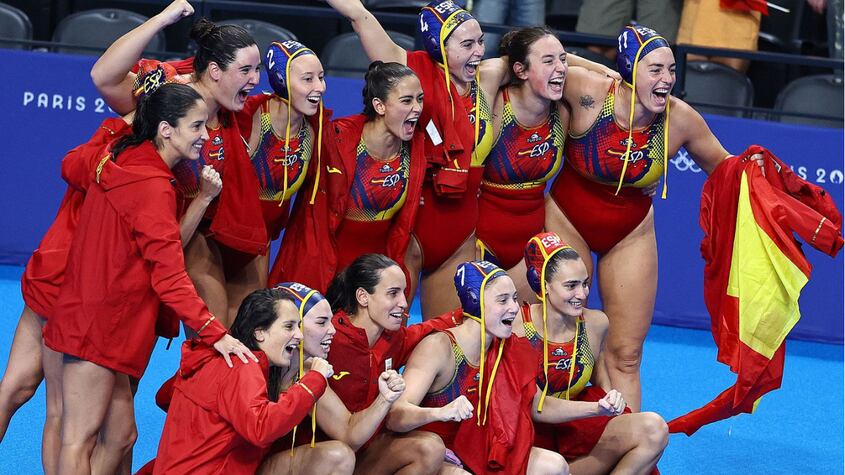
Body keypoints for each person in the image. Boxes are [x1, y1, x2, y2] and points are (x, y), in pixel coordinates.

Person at [0, 61, 217, 475]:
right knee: (40, 402)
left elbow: (163, 242)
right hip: (68, 284)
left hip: (101, 296)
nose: (203, 134)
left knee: (113, 430)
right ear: (162, 118)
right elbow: (72, 166)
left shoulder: (146, 160)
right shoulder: (120, 149)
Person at [545, 24, 762, 411]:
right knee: (562, 340)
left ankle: (626, 447)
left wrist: (759, 171)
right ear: (629, 71)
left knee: (626, 353)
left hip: (630, 232)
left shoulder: (679, 119)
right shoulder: (589, 91)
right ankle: (551, 439)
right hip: (567, 218)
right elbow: (540, 58)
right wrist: (598, 68)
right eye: (656, 70)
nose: (667, 80)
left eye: (672, 70)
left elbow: (727, 169)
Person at [42, 83, 254, 475]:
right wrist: (215, 332)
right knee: (78, 438)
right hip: (97, 327)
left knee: (121, 436)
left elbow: (71, 164)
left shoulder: (119, 156)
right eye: (196, 126)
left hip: (101, 320)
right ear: (166, 130)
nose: (206, 136)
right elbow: (170, 276)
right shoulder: (154, 188)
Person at [91, 0, 267, 327]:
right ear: (215, 71)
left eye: (257, 71)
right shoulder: (165, 95)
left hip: (194, 235)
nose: (255, 79)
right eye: (245, 70)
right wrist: (161, 19)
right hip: (135, 246)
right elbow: (103, 76)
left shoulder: (235, 116)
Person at [387, 260, 627, 474]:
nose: (513, 308)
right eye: (502, 300)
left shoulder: (511, 346)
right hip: (434, 451)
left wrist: (596, 408)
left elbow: (538, 405)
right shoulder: (439, 347)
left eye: (513, 298)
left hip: (484, 447)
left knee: (554, 467)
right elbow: (397, 416)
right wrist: (439, 412)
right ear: (475, 301)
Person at [519, 232, 668, 474]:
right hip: (530, 440)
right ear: (543, 285)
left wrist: (612, 400)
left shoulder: (596, 324)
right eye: (571, 285)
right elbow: (537, 406)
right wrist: (595, 409)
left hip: (576, 433)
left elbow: (603, 384)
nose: (582, 294)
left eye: (585, 283)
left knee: (654, 429)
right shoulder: (516, 329)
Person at [272, 61, 426, 291]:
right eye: (407, 100)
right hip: (318, 270)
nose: (417, 108)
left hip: (373, 282)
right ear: (379, 106)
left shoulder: (418, 150)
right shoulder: (333, 139)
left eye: (420, 99)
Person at [153, 288, 342, 474]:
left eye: (298, 326)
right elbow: (262, 428)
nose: (299, 335)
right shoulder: (243, 365)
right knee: (338, 457)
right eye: (289, 326)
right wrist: (313, 381)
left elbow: (163, 396)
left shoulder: (210, 358)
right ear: (259, 333)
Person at [323, 253, 463, 474]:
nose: (404, 303)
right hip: (324, 457)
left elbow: (428, 327)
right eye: (393, 293)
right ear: (363, 297)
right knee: (340, 454)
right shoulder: (327, 338)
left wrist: (469, 312)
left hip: (366, 454)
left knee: (430, 448)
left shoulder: (393, 339)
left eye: (405, 293)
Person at [258, 282, 409, 474]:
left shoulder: (308, 372)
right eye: (321, 322)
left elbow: (348, 433)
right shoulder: (251, 365)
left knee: (340, 455)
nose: (332, 330)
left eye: (330, 321)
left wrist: (385, 399)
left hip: (263, 465)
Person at [475, 27, 569, 301]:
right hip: (479, 239)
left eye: (563, 59)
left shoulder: (564, 110)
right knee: (467, 334)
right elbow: (489, 69)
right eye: (549, 61)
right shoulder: (494, 103)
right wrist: (515, 59)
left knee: (520, 338)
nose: (561, 68)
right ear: (520, 69)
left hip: (531, 242)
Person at [237, 39, 333, 291]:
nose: (320, 87)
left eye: (321, 77)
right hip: (218, 241)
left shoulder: (315, 129)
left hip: (260, 243)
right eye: (308, 79)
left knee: (250, 323)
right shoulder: (249, 116)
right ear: (280, 80)